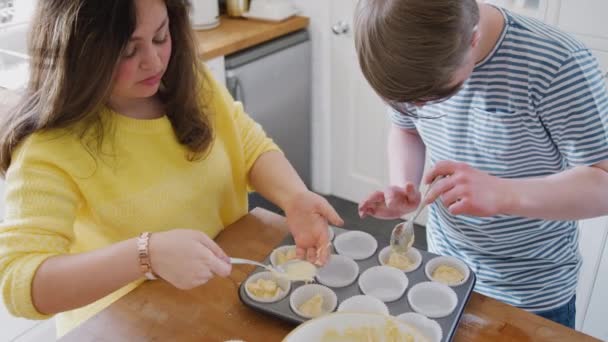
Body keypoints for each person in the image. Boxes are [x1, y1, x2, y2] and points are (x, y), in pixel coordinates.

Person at [0, 0, 342, 337]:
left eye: (161, 36)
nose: (153, 62)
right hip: (124, 324)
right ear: (81, 54)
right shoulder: (49, 149)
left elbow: (248, 145)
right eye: (127, 51)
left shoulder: (188, 81)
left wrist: (294, 196)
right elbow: (19, 282)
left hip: (217, 298)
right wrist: (144, 256)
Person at [355, 0, 608, 329]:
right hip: (443, 269)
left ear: (473, 39)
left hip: (530, 292)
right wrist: (405, 185)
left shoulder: (558, 64)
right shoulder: (405, 55)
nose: (417, 107)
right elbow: (405, 128)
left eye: (435, 97)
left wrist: (504, 193)